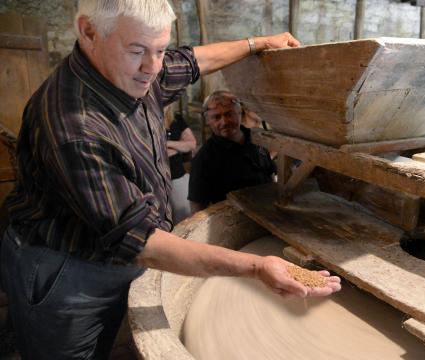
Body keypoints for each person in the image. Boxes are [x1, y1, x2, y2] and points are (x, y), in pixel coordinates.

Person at [0, 1, 340, 359]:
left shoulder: (131, 68)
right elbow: (142, 242)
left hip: (117, 253)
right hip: (67, 268)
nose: (153, 67)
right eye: (138, 51)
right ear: (88, 32)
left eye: (160, 50)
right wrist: (257, 267)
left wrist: (256, 44)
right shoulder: (74, 127)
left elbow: (192, 61)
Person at [188, 91, 275, 213]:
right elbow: (197, 208)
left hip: (269, 212)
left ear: (239, 113)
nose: (224, 122)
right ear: (208, 121)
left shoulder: (259, 139)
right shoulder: (204, 159)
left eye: (229, 114)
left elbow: (270, 175)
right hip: (235, 224)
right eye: (216, 117)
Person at [165, 105, 196, 223]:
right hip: (153, 182)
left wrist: (166, 144)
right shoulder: (142, 118)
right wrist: (179, 146)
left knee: (185, 220)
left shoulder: (176, 119)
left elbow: (191, 144)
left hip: (176, 176)